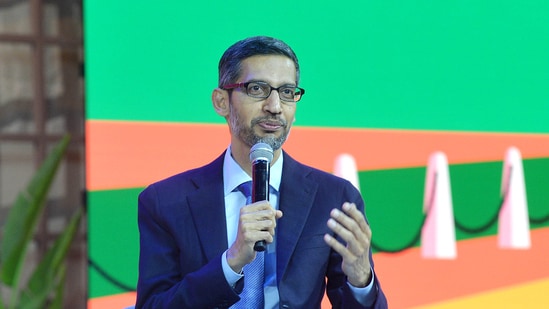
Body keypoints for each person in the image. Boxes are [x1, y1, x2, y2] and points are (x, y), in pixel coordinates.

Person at [136, 36, 388, 309]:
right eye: (258, 89)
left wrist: (361, 279)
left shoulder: (333, 196)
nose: (275, 106)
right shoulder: (165, 202)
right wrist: (231, 263)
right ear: (221, 101)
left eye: (288, 92)